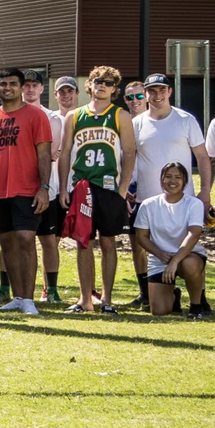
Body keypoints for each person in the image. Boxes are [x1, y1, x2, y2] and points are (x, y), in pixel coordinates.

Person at [58, 67, 138, 314]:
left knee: (108, 241)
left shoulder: (120, 115)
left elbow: (129, 152)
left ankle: (107, 300)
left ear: (114, 89)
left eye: (108, 82)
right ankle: (85, 299)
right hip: (82, 186)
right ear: (90, 85)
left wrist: (122, 189)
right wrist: (63, 187)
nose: (102, 85)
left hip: (109, 187)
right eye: (98, 81)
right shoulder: (74, 116)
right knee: (83, 241)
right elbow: (65, 153)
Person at [0, 69, 55, 316]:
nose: (7, 87)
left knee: (25, 238)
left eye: (12, 83)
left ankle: (29, 299)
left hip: (27, 189)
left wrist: (44, 188)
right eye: (3, 84)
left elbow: (44, 154)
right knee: (7, 242)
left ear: (21, 88)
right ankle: (17, 297)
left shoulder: (36, 115)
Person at [131, 73, 213, 307]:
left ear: (170, 92)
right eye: (152, 91)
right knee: (142, 245)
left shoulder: (185, 120)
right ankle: (150, 292)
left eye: (161, 90)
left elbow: (202, 157)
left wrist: (205, 191)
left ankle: (200, 298)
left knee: (189, 246)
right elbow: (129, 157)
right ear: (145, 94)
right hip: (147, 198)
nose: (157, 95)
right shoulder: (137, 123)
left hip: (183, 200)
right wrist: (126, 187)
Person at [134, 162, 209, 318]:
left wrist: (175, 261)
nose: (172, 181)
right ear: (161, 180)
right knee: (159, 311)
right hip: (161, 258)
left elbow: (194, 234)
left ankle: (196, 306)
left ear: (185, 181)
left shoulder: (194, 204)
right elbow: (141, 236)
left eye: (177, 177)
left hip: (188, 255)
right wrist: (160, 254)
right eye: (168, 176)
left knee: (189, 264)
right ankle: (174, 297)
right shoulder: (148, 204)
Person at [32, 75, 76, 303]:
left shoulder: (76, 118)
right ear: (55, 94)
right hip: (51, 187)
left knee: (80, 240)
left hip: (71, 187)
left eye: (70, 91)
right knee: (46, 239)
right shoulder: (53, 118)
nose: (66, 95)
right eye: (62, 91)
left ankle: (87, 290)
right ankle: (45, 289)